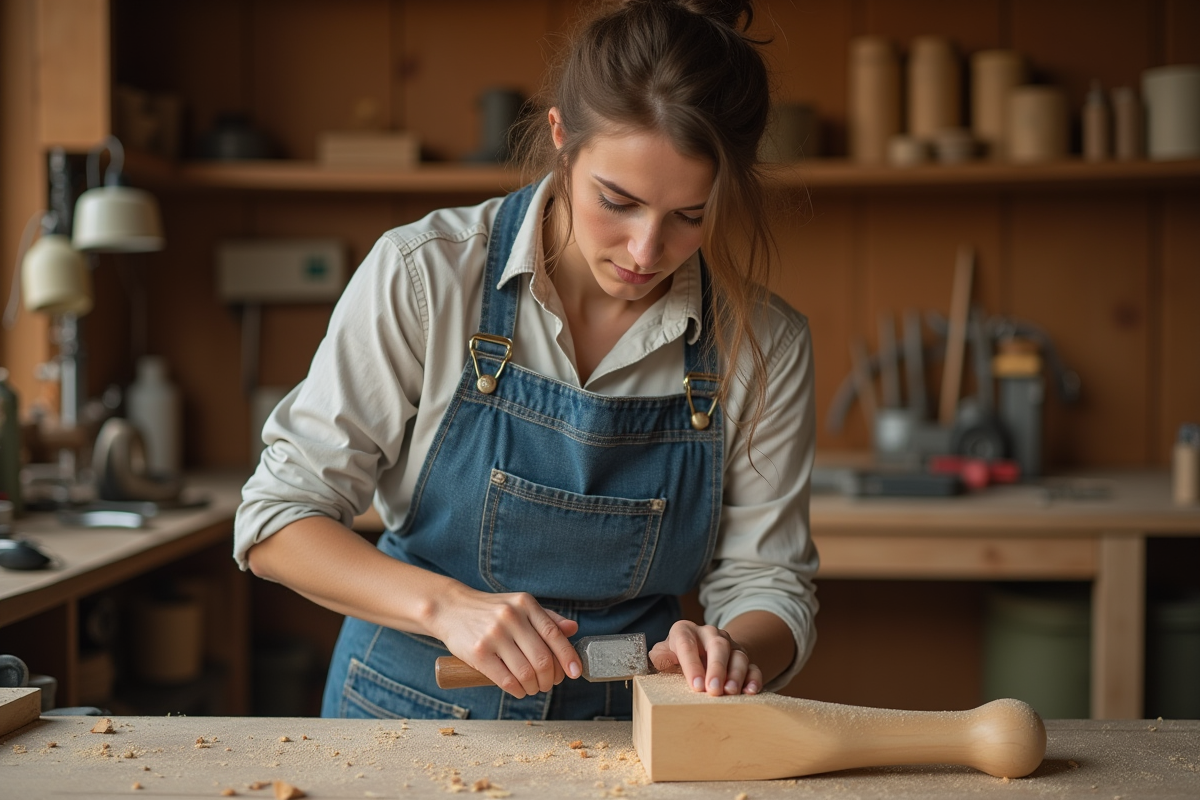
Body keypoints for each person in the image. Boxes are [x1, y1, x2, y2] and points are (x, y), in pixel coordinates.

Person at [235, 0, 818, 722]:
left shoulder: (765, 345)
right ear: (561, 138)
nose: (645, 250)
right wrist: (447, 608)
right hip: (406, 711)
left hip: (626, 727)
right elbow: (277, 523)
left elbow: (771, 583)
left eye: (690, 216)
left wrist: (733, 651)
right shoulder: (426, 276)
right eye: (617, 201)